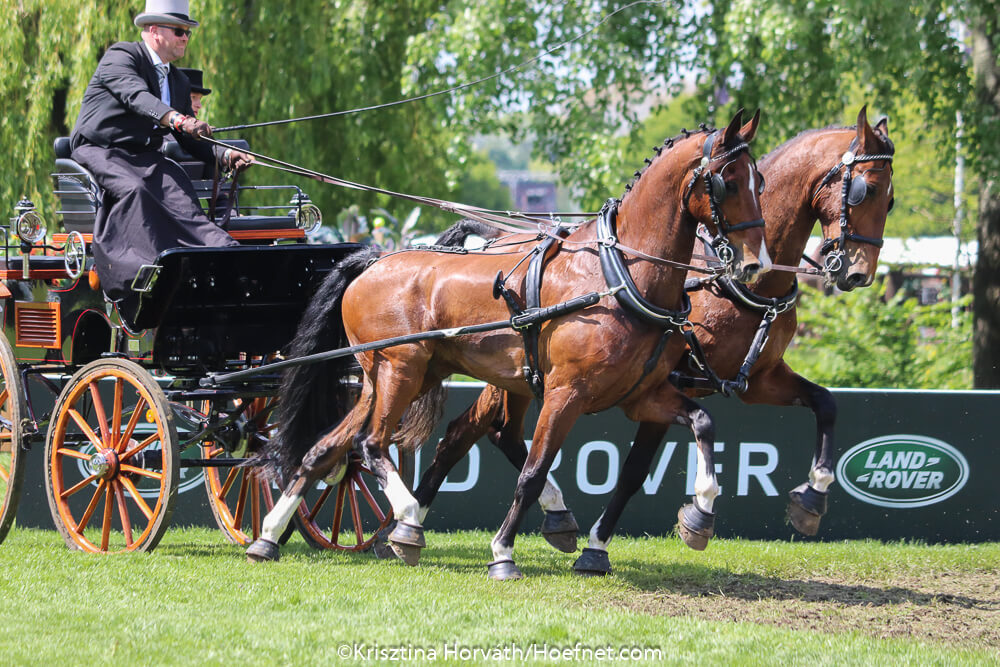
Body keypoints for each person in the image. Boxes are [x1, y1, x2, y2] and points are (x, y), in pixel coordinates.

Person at [69, 0, 253, 302]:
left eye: (188, 33)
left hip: (145, 157)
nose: (185, 38)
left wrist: (225, 155)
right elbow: (136, 95)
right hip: (101, 149)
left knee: (182, 197)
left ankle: (220, 255)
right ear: (154, 30)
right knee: (136, 190)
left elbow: (189, 140)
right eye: (179, 31)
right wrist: (179, 119)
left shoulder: (178, 80)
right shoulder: (122, 56)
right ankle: (144, 271)